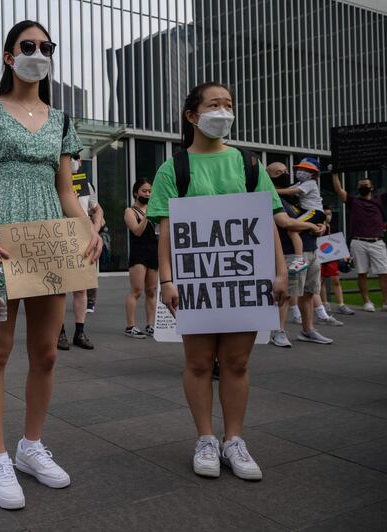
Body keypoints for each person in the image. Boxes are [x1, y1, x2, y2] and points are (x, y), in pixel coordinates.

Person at [0, 20, 101, 510]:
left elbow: (67, 189)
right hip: (2, 244)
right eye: (28, 46)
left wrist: (89, 233)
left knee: (46, 353)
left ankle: (31, 446)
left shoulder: (63, 121)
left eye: (46, 47)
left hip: (49, 245)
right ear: (8, 56)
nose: (38, 53)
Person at [150, 82, 288, 482]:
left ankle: (234, 439)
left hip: (245, 279)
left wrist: (279, 272)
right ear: (192, 115)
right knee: (197, 362)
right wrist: (167, 281)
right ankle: (206, 438)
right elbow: (167, 230)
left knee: (237, 362)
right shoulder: (172, 168)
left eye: (229, 104)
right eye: (214, 104)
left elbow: (267, 221)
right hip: (195, 283)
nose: (223, 111)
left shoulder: (248, 163)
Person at [267, 162, 333, 347]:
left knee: (309, 292)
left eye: (285, 171)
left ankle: (308, 329)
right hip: (290, 253)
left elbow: (311, 213)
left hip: (311, 249)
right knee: (287, 294)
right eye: (278, 172)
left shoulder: (296, 194)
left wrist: (320, 225)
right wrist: (311, 226)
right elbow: (287, 223)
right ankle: (278, 331)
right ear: (269, 176)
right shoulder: (274, 198)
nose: (285, 174)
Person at [58, 153, 103, 350]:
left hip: (82, 237)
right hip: (58, 237)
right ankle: (59, 332)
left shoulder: (86, 184)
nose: (74, 162)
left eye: (76, 157)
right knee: (58, 288)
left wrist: (94, 228)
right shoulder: (55, 182)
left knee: (81, 288)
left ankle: (79, 330)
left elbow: (97, 209)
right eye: (70, 158)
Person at [331, 172, 387, 312]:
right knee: (362, 272)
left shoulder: (379, 200)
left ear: (372, 188)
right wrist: (335, 174)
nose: (364, 187)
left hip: (377, 241)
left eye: (366, 185)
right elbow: (339, 190)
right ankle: (366, 301)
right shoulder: (353, 201)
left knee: (384, 272)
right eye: (361, 185)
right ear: (357, 188)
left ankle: (386, 302)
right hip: (358, 241)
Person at [275, 158, 327, 274]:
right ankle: (300, 259)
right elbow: (288, 189)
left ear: (314, 174)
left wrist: (273, 191)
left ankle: (299, 259)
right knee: (294, 229)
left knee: (293, 230)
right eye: (300, 168)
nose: (301, 171)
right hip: (310, 212)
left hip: (313, 211)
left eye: (306, 169)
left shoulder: (310, 183)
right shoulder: (301, 183)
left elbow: (291, 192)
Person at [123, 178, 158, 339]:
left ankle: (150, 325)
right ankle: (130, 326)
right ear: (136, 192)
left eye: (150, 191)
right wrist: (147, 214)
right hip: (139, 254)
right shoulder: (130, 211)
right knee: (137, 290)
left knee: (151, 291)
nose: (148, 194)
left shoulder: (154, 208)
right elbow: (137, 231)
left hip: (154, 252)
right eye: (144, 191)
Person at [319, 206, 355, 316]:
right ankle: (324, 303)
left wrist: (345, 255)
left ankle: (341, 305)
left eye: (329, 214)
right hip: (320, 257)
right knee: (321, 281)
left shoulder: (334, 228)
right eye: (326, 214)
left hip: (331, 258)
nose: (328, 216)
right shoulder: (318, 226)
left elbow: (339, 243)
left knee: (336, 280)